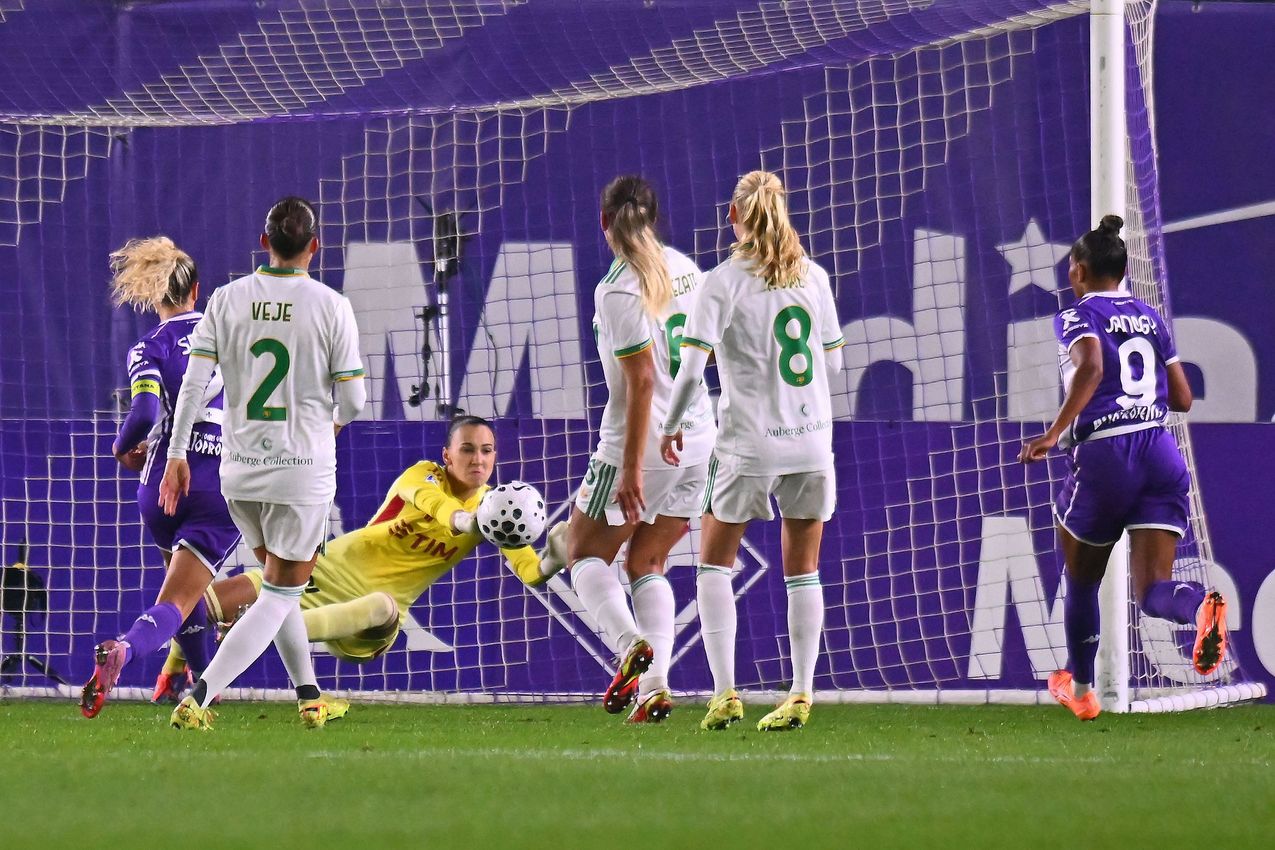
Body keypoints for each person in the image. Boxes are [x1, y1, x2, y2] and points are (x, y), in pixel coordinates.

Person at [153, 416, 568, 689]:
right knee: (204, 602)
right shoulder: (423, 474)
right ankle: (172, 660)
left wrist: (554, 557)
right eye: (467, 449)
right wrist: (175, 663)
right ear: (447, 455)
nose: (478, 459)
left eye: (486, 450)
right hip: (323, 571)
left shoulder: (496, 511)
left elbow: (530, 571)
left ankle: (267, 627)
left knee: (383, 606)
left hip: (371, 617)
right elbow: (430, 502)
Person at [160, 196, 366, 730]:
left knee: (280, 584)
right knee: (279, 593)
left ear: (264, 243)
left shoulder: (227, 300)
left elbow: (193, 386)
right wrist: (333, 424)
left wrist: (177, 453)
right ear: (315, 247)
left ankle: (310, 696)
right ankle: (199, 698)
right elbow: (356, 400)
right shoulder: (330, 305)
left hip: (240, 473)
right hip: (301, 472)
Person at [1019, 214, 1227, 721]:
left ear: (1079, 271)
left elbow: (1090, 366)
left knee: (1082, 578)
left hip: (1108, 455)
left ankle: (1083, 688)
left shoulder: (1076, 315)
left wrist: (1052, 433)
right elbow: (1182, 397)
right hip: (1160, 451)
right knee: (1153, 590)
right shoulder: (1151, 316)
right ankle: (1199, 607)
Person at [660, 170, 844, 732]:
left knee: (714, 561)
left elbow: (691, 370)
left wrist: (671, 425)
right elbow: (833, 362)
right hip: (812, 439)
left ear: (733, 217)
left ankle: (725, 695)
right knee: (803, 570)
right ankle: (802, 693)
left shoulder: (722, 282)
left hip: (749, 443)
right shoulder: (812, 275)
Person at [567, 175, 717, 723]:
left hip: (645, 443)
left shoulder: (617, 286)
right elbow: (708, 353)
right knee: (648, 561)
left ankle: (630, 644)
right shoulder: (686, 269)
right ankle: (654, 686)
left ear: (604, 223)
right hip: (699, 438)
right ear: (653, 220)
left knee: (580, 552)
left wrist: (631, 469)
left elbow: (641, 385)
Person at [79, 238, 241, 718]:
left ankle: (199, 689)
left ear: (157, 296)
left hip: (160, 486)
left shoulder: (149, 346)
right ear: (197, 291)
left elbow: (146, 409)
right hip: (217, 480)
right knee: (187, 596)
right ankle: (126, 651)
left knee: (182, 591)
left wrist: (118, 447)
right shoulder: (232, 337)